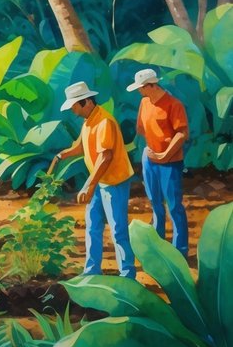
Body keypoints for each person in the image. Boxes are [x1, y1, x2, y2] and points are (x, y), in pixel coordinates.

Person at [53, 81, 136, 278]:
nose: (73, 110)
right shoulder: (88, 121)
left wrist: (88, 185)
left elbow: (105, 157)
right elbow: (80, 147)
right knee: (92, 226)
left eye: (74, 105)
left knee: (118, 229)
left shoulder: (105, 122)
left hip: (114, 181)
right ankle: (92, 271)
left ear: (87, 102)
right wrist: (62, 155)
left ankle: (127, 274)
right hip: (99, 180)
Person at [129, 69, 189, 256]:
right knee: (155, 202)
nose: (139, 91)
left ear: (151, 85)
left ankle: (180, 251)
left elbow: (182, 134)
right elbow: (140, 129)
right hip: (150, 160)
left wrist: (164, 154)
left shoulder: (174, 104)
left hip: (170, 162)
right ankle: (159, 247)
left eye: (141, 87)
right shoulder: (144, 102)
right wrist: (152, 148)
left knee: (174, 206)